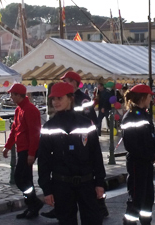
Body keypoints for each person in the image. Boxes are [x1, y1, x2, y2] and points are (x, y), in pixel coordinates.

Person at [38, 82, 106, 225]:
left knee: (93, 220)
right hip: (61, 184)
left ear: (70, 98)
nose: (55, 102)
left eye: (59, 98)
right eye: (53, 99)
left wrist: (100, 182)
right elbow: (44, 160)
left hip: (86, 182)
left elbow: (95, 154)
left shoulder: (86, 123)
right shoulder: (49, 127)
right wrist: (47, 189)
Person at [3, 84, 44, 220]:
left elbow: (34, 133)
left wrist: (32, 153)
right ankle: (32, 205)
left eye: (13, 94)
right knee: (25, 179)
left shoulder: (30, 110)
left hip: (27, 149)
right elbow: (15, 130)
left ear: (18, 95)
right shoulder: (19, 110)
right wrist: (8, 146)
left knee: (20, 178)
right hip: (22, 149)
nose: (11, 97)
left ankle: (34, 203)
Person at [121, 84, 155, 225]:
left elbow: (150, 137)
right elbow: (132, 145)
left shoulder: (144, 114)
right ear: (143, 97)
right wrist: (150, 155)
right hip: (137, 163)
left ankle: (146, 222)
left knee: (148, 198)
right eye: (150, 96)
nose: (151, 99)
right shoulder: (131, 117)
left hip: (146, 163)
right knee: (137, 199)